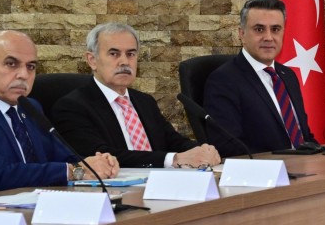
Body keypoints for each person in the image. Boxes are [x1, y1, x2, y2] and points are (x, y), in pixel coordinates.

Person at [52, 23, 221, 169]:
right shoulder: (72, 107)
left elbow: (174, 142)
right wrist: (174, 159)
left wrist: (202, 151)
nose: (124, 62)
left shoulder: (144, 101)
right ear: (92, 60)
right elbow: (102, 157)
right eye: (114, 54)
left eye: (131, 54)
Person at [0, 29, 119, 192]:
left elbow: (64, 157)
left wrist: (97, 164)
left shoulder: (30, 107)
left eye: (31, 66)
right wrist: (74, 171)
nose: (24, 75)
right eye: (11, 64)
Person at [203, 0, 313, 156]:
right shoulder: (223, 80)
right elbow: (229, 147)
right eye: (259, 29)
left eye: (275, 29)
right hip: (266, 168)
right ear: (242, 34)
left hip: (306, 165)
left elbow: (306, 137)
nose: (268, 37)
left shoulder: (288, 75)